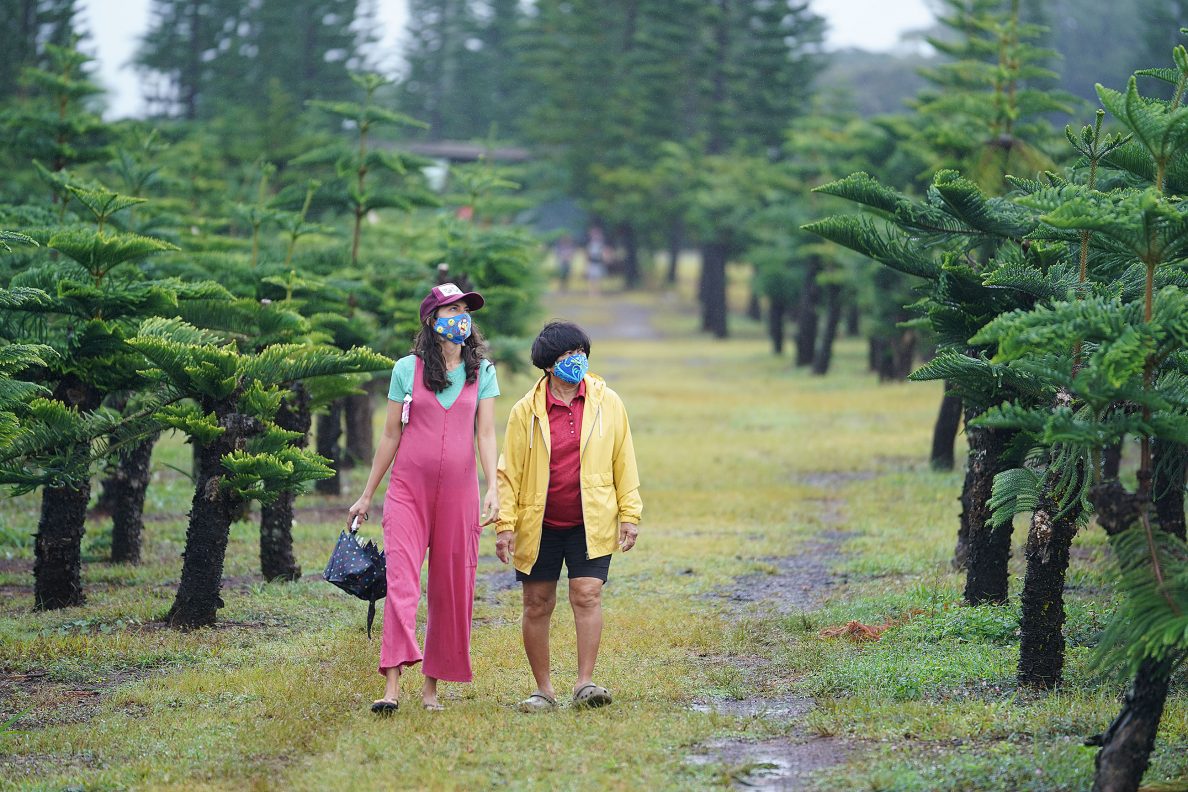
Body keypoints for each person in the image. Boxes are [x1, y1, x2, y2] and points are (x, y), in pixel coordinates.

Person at [348, 282, 500, 713]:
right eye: (451, 310)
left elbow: (486, 434)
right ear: (432, 321)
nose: (460, 317)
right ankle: (391, 687)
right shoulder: (406, 369)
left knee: (452, 588)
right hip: (407, 493)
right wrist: (366, 495)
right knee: (401, 582)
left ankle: (431, 688)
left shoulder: (482, 372)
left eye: (465, 310)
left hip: (460, 496)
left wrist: (493, 485)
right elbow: (390, 435)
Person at [494, 320, 641, 712]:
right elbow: (509, 473)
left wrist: (630, 513)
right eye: (567, 355)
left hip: (590, 519)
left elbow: (624, 460)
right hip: (539, 522)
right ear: (548, 364)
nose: (576, 360)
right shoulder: (525, 412)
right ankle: (543, 690)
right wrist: (505, 524)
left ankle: (585, 683)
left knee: (587, 594)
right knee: (537, 602)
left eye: (580, 352)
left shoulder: (608, 403)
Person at [585, 226, 607, 296]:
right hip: (591, 262)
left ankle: (598, 292)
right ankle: (591, 292)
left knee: (598, 278)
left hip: (598, 262)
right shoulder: (590, 244)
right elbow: (587, 254)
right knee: (591, 278)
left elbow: (603, 253)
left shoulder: (601, 244)